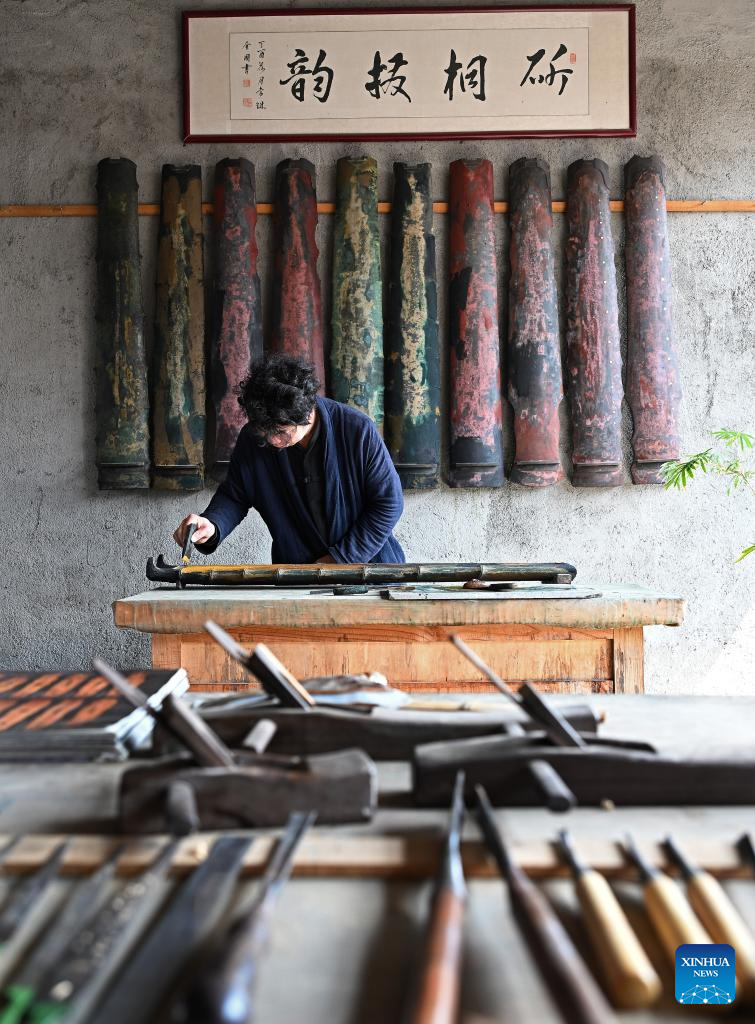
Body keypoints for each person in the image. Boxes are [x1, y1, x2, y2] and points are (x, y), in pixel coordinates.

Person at [173, 355, 405, 564]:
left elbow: (389, 504)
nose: (272, 441)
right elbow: (235, 495)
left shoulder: (357, 431)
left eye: (281, 432)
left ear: (307, 411)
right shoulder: (254, 438)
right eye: (266, 432)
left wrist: (339, 560)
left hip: (371, 572)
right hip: (297, 581)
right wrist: (211, 525)